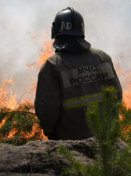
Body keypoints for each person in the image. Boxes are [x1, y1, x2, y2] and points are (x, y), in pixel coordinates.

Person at [34, 7, 123, 140]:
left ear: (56, 31)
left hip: (71, 147)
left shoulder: (53, 66)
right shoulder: (103, 58)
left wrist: (51, 134)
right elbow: (117, 96)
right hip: (108, 143)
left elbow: (47, 112)